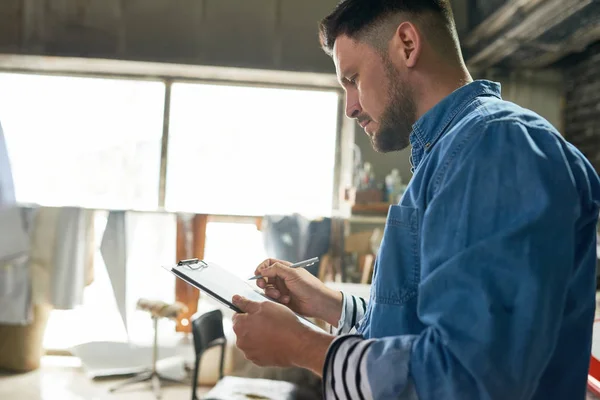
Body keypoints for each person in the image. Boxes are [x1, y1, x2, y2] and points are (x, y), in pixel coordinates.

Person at [231, 0, 600, 399]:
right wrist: (329, 305)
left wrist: (303, 346)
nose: (351, 107)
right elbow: (419, 325)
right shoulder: (452, 153)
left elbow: (470, 377)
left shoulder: (495, 148)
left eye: (353, 78)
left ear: (407, 44)